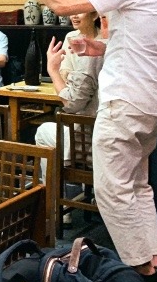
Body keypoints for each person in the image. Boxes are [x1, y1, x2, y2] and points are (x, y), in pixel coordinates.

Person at [25, 0, 157, 282]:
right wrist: (101, 48)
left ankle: (138, 270)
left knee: (111, 188)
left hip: (125, 100)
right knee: (137, 186)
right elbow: (153, 46)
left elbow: (63, 5)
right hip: (155, 103)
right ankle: (154, 262)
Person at [34, 16, 105, 182]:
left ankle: (52, 200)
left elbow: (71, 101)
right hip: (117, 137)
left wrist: (52, 70)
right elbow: (66, 73)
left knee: (43, 131)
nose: (73, 15)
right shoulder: (73, 38)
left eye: (79, 11)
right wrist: (67, 76)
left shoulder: (95, 51)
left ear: (97, 15)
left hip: (92, 141)